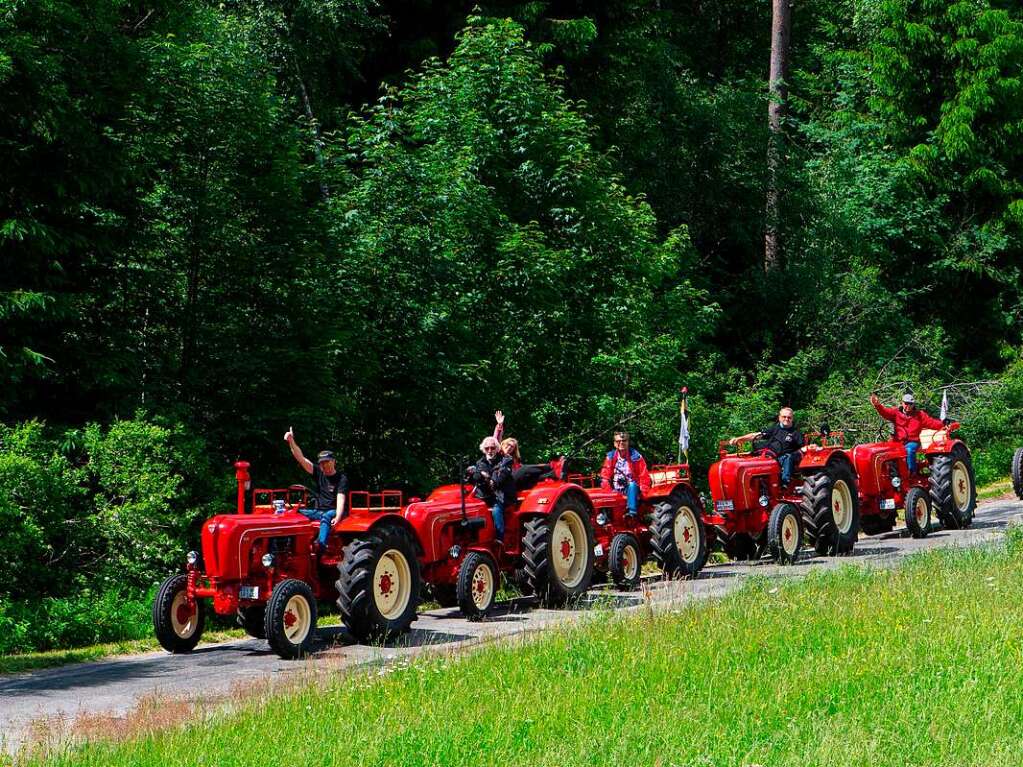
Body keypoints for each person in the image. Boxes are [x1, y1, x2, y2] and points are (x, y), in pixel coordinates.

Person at [284, 427, 349, 551]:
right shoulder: (319, 472)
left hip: (334, 511)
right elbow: (301, 459)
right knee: (293, 512)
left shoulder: (341, 478)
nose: (324, 465)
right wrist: (291, 441)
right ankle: (289, 547)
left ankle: (321, 545)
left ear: (334, 462)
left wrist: (338, 517)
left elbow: (341, 499)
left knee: (326, 516)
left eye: (327, 462)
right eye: (322, 463)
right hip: (319, 511)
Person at [870, 393, 945, 473]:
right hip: (897, 442)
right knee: (885, 453)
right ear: (902, 403)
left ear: (913, 404)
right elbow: (885, 412)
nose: (908, 406)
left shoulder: (919, 415)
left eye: (910, 404)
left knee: (909, 450)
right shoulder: (896, 412)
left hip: (912, 441)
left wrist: (944, 424)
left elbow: (932, 423)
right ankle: (890, 475)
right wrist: (877, 405)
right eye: (906, 403)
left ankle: (912, 473)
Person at [729, 407, 805, 486]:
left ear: (792, 418)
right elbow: (756, 435)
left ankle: (785, 483)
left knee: (787, 457)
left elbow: (803, 449)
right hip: (767, 455)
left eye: (789, 417)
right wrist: (739, 439)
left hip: (782, 457)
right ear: (779, 417)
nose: (786, 419)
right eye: (784, 417)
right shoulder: (774, 428)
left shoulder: (796, 433)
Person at [473, 436, 516, 542]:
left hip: (501, 495)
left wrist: (488, 478)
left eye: (492, 448)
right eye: (487, 448)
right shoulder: (481, 462)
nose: (490, 450)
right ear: (483, 450)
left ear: (497, 449)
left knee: (496, 511)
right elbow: (477, 477)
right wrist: (482, 475)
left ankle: (499, 541)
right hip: (485, 496)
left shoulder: (506, 460)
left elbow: (500, 477)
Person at [599, 431, 651, 517]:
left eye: (624, 441)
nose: (621, 443)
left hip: (632, 489)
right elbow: (605, 476)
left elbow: (644, 476)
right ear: (615, 444)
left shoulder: (636, 457)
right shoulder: (610, 457)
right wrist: (608, 493)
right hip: (615, 489)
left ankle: (631, 513)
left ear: (628, 442)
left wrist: (644, 494)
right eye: (618, 441)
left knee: (632, 485)